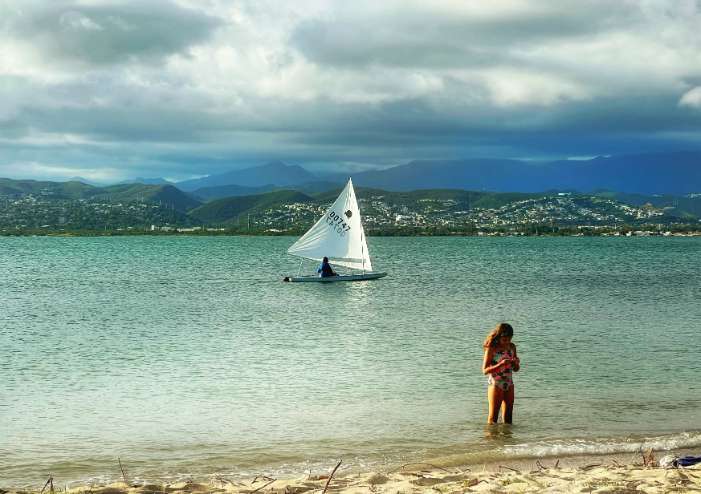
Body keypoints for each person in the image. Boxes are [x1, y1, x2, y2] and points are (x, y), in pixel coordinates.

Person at [482, 322, 520, 424]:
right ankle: (491, 439)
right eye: (504, 340)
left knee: (508, 419)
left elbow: (516, 369)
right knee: (493, 419)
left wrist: (516, 363)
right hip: (496, 384)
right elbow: (485, 370)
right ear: (499, 337)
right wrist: (501, 364)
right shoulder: (492, 349)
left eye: (509, 339)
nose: (507, 342)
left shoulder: (512, 347)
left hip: (509, 383)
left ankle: (506, 440)